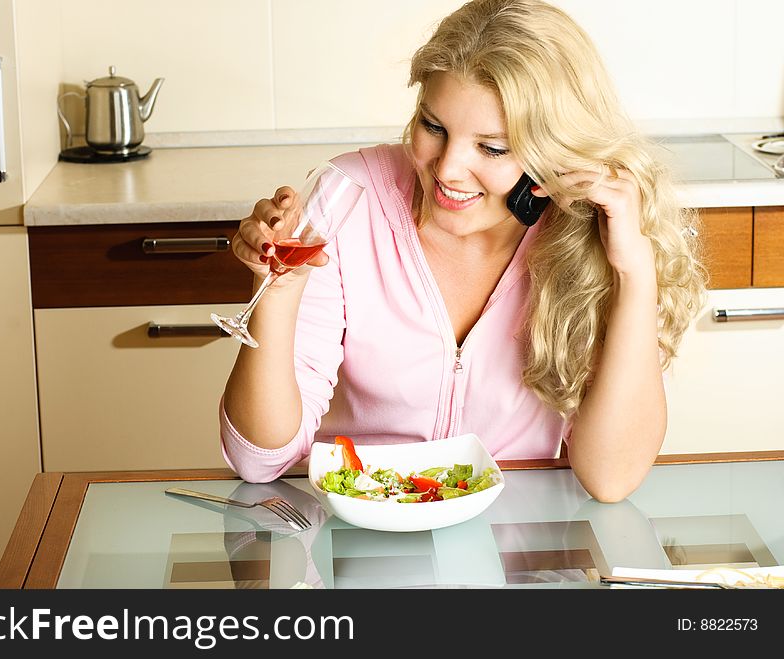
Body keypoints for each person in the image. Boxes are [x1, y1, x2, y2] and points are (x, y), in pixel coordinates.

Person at [217, 0, 706, 502]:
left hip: (518, 550)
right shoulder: (353, 198)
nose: (447, 169)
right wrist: (275, 291)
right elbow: (260, 459)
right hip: (364, 539)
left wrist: (633, 273)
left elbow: (611, 479)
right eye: (434, 126)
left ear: (554, 155)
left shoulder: (582, 235)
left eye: (492, 148)